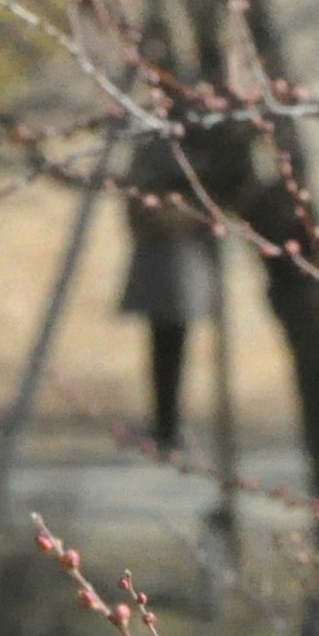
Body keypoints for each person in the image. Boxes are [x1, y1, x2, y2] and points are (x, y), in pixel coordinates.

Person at [117, 132, 223, 454]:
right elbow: (137, 198)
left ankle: (169, 423)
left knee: (172, 339)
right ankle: (166, 422)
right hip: (163, 255)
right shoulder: (154, 145)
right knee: (165, 339)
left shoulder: (197, 143)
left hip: (183, 256)